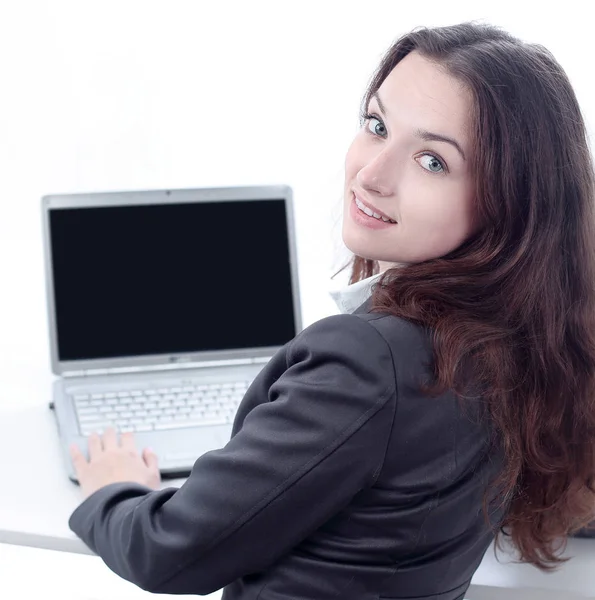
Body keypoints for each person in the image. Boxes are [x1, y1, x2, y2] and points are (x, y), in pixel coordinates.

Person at [67, 21, 595, 600]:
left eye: (432, 161)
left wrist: (110, 489)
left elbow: (165, 550)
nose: (370, 175)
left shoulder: (372, 364)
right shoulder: (521, 338)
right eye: (377, 125)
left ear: (510, 203)